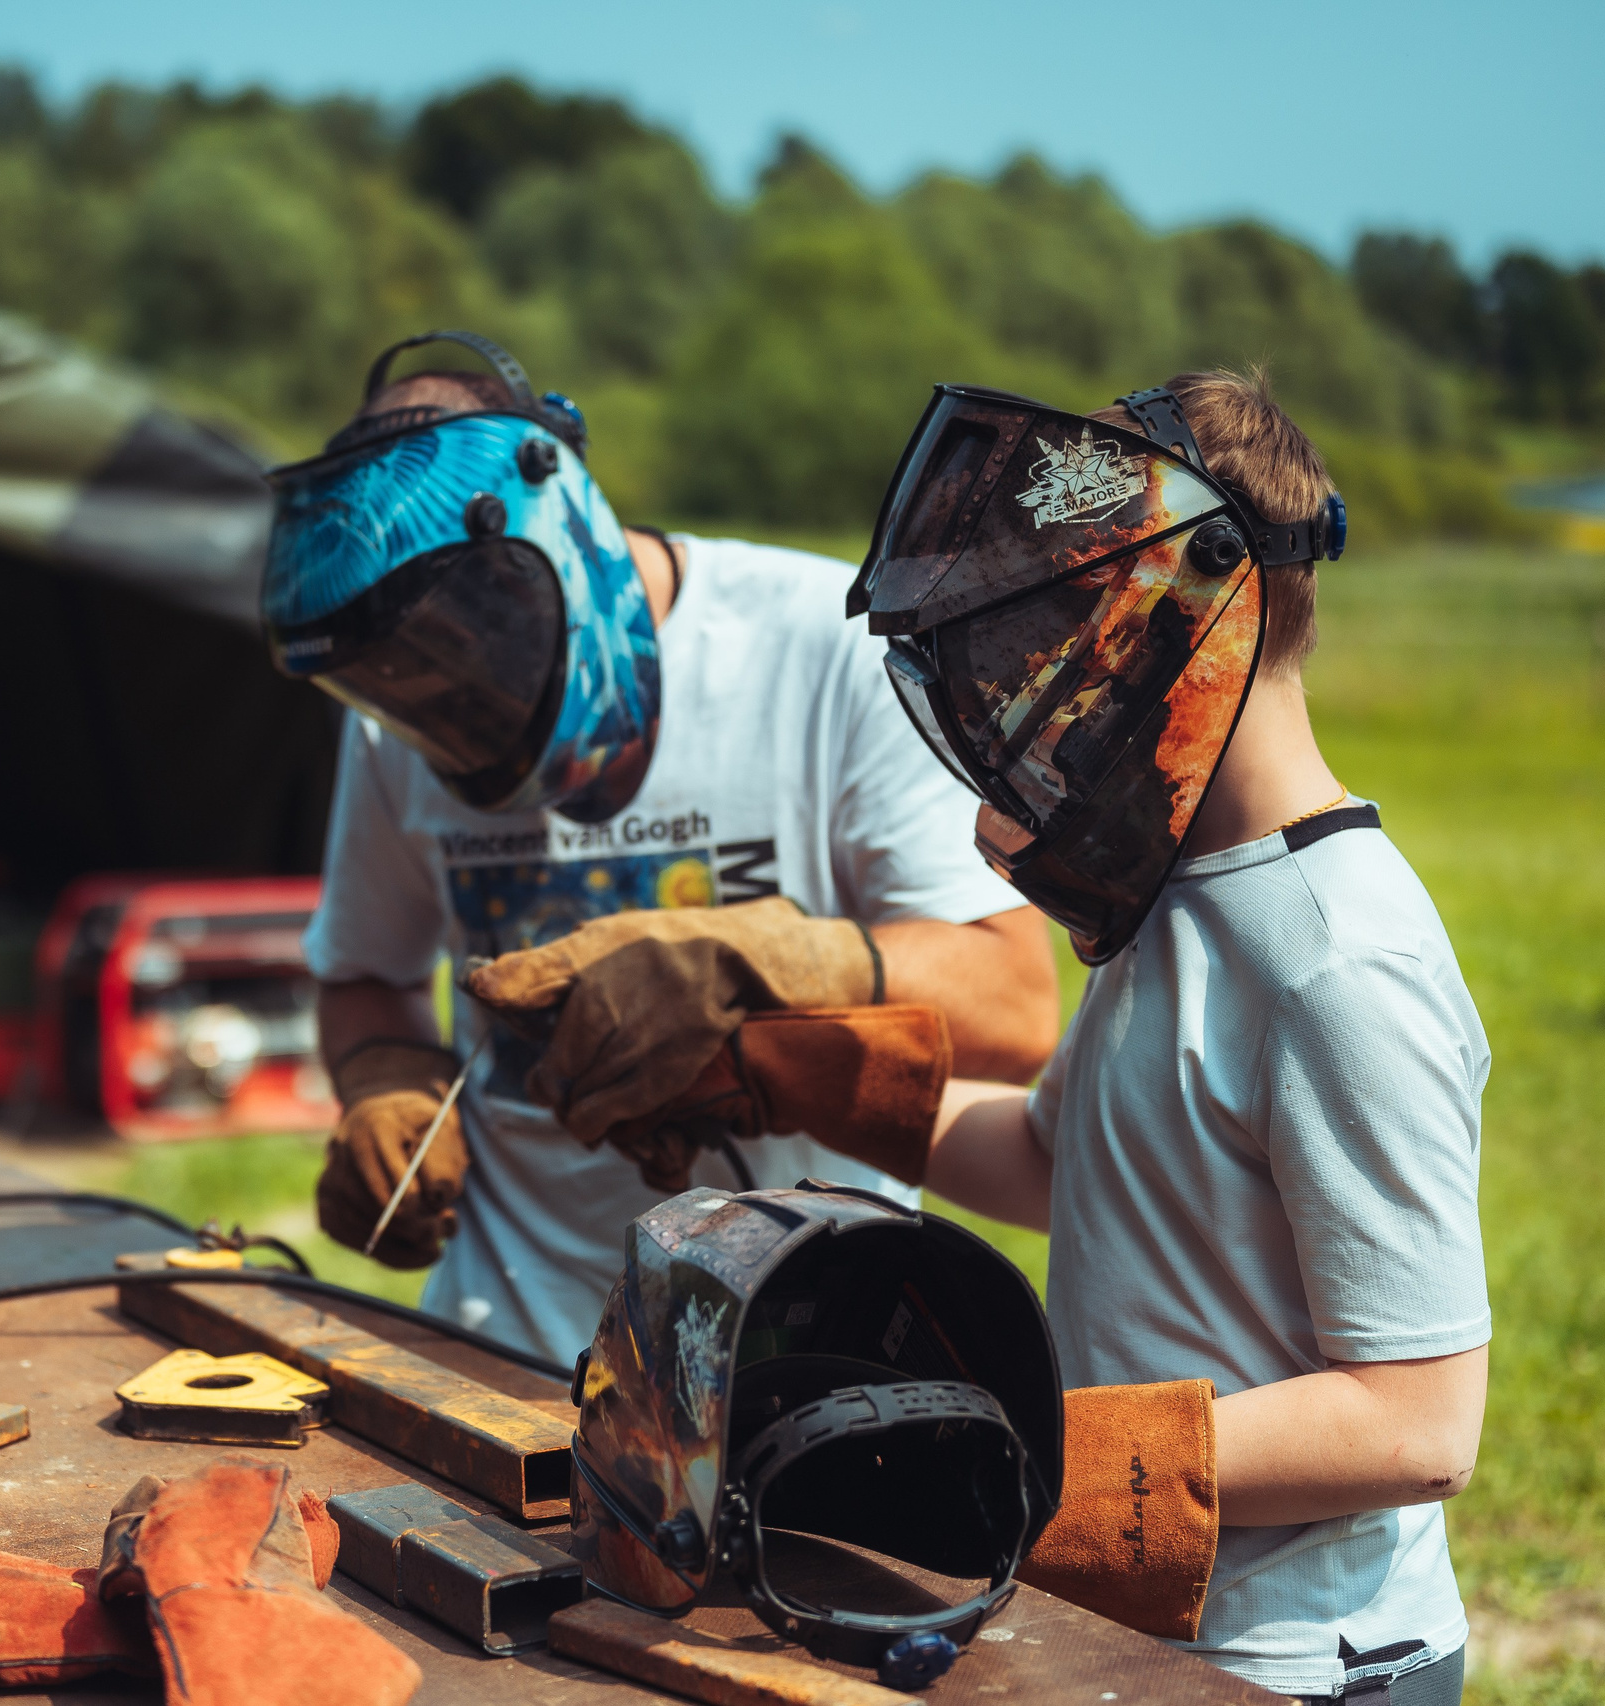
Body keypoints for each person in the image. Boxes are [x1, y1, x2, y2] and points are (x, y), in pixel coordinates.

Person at [627, 371, 1483, 1701]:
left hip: (1299, 1663)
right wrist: (763, 1067)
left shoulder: (1336, 955)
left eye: (1065, 621)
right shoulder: (1163, 898)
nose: (1032, 681)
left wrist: (1028, 1453)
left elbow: (1421, 1419)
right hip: (1148, 1637)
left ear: (1199, 598)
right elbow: (1051, 1157)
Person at [260, 331, 1058, 1366]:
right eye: (405, 684)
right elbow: (364, 969)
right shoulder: (394, 726)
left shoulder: (829, 650)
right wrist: (385, 1078)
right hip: (503, 1349)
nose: (442, 702)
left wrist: (756, 964)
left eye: (467, 655)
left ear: (562, 520)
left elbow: (1012, 1001)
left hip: (804, 1353)